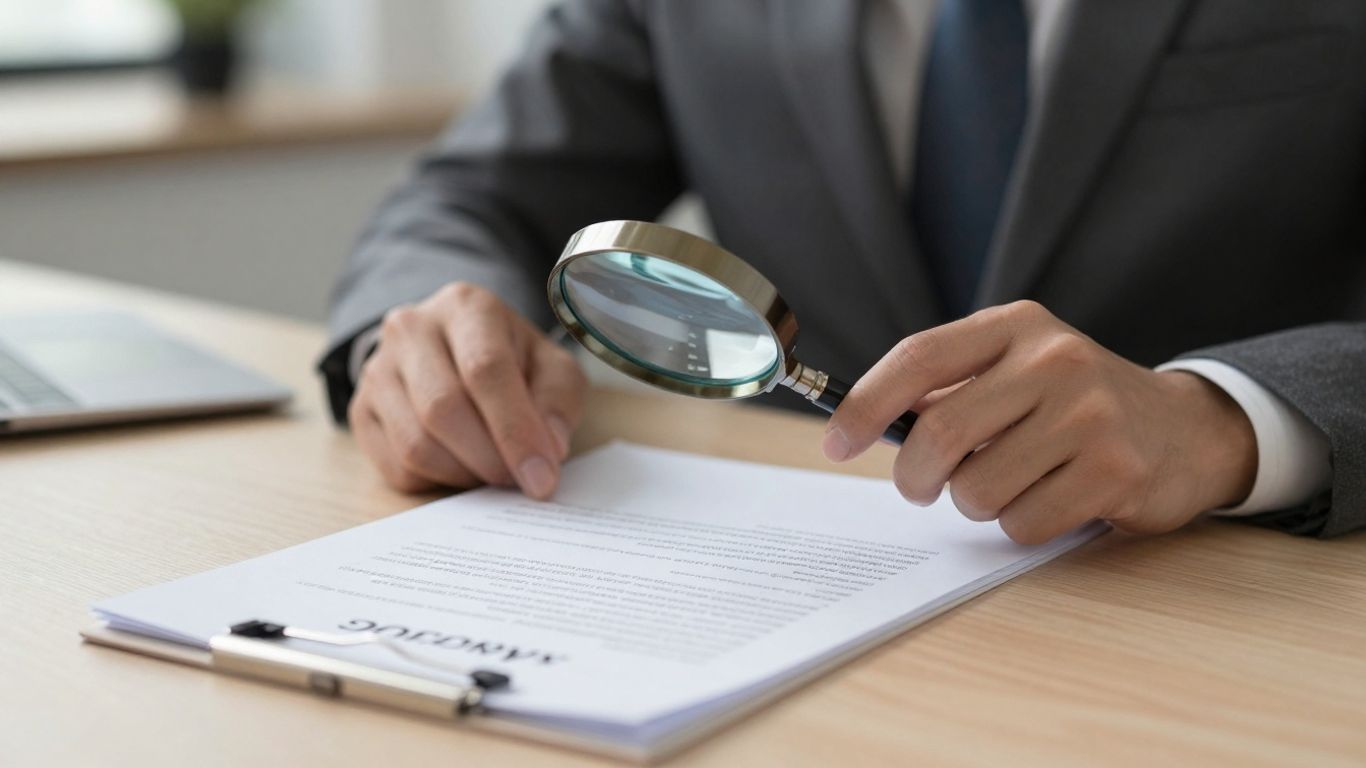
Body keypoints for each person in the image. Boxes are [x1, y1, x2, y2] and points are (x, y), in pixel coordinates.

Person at [318, 0, 1366, 544]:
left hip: (1222, 602)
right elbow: (464, 202)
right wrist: (421, 337)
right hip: (801, 616)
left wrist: (1220, 422)